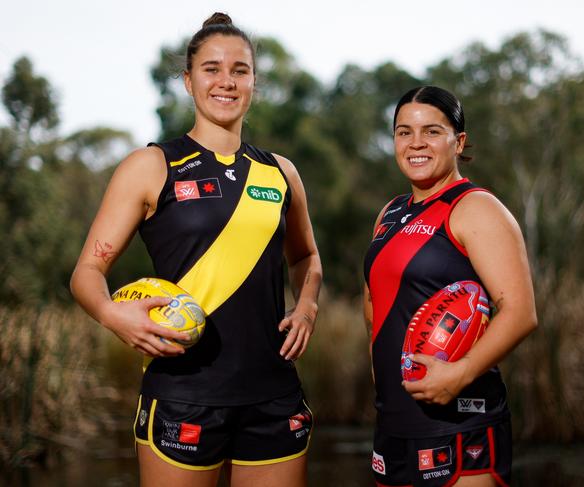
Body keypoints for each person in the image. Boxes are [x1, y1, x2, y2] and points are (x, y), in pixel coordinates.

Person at [70, 12, 321, 487]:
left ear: (253, 82)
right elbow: (86, 270)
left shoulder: (280, 172)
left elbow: (306, 257)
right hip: (183, 392)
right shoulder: (150, 165)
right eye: (211, 69)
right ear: (188, 81)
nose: (225, 81)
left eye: (239, 70)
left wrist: (306, 307)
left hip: (274, 393)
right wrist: (111, 314)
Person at [363, 86, 537, 487]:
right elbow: (374, 301)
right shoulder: (390, 213)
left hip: (462, 422)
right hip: (393, 422)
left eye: (432, 131)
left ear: (458, 142)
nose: (416, 143)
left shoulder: (476, 207)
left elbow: (520, 312)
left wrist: (460, 374)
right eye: (404, 132)